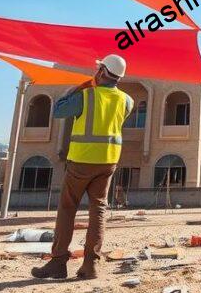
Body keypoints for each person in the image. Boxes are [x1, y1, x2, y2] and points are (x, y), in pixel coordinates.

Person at [31, 54, 134, 281]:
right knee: (98, 210)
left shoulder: (86, 95)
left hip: (82, 161)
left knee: (68, 208)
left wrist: (80, 87)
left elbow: (58, 110)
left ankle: (58, 262)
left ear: (101, 71)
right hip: (108, 161)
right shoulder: (127, 100)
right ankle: (90, 265)